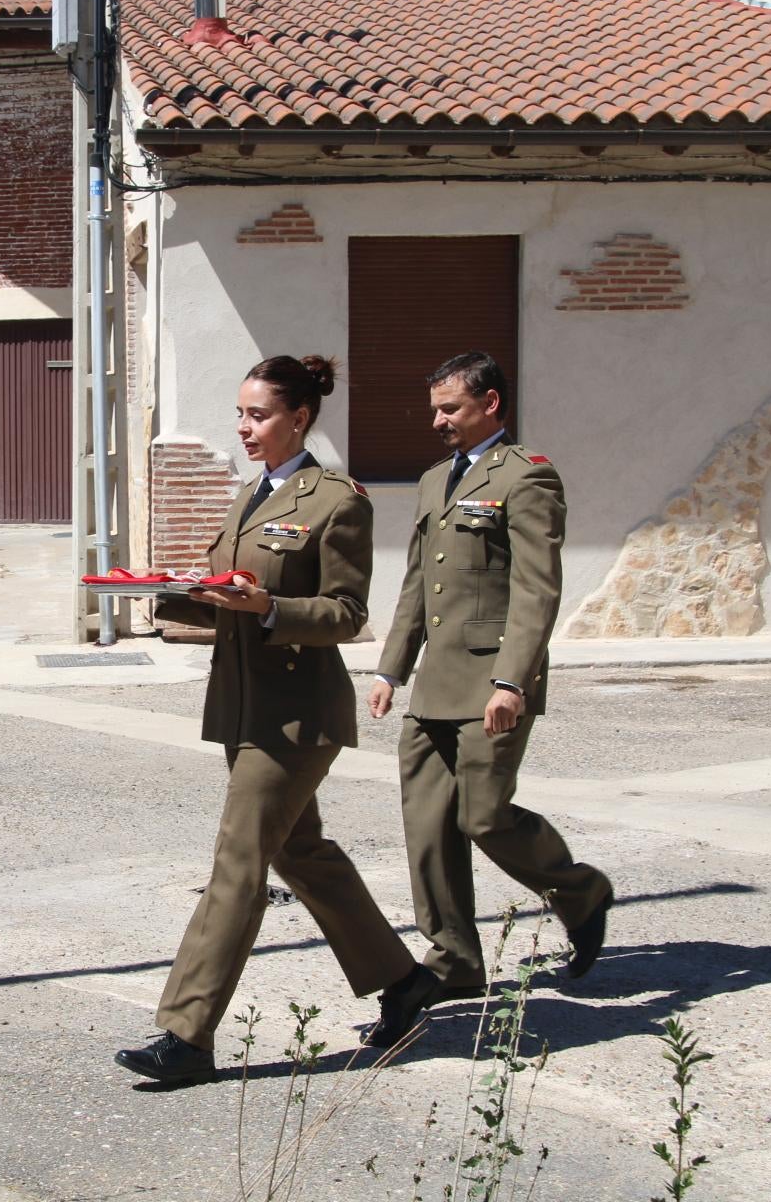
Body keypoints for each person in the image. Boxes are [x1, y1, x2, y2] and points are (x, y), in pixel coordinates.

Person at [114, 355, 418, 1087]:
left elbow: (347, 615)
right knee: (301, 853)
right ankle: (404, 982)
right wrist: (172, 593)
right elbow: (228, 593)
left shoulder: (338, 501)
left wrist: (271, 609)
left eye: (259, 415)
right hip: (244, 706)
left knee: (239, 863)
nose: (244, 428)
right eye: (242, 414)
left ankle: (186, 1036)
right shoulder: (252, 495)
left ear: (300, 419)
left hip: (297, 715)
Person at [365, 352, 613, 1046]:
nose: (437, 420)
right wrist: (390, 669)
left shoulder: (527, 476)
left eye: (451, 408)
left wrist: (513, 681)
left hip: (490, 681)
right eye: (436, 408)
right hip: (435, 681)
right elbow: (419, 583)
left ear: (492, 404)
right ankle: (454, 959)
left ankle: (580, 891)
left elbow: (537, 588)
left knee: (484, 816)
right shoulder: (433, 481)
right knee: (427, 827)